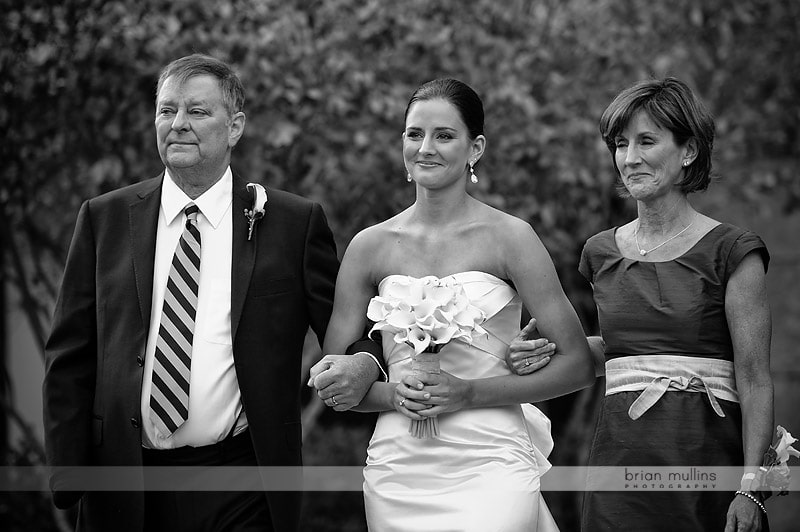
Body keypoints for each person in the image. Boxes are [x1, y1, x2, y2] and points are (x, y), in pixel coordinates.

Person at [41, 53, 377, 532]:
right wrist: (69, 473)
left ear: (235, 126)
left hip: (243, 480)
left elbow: (347, 332)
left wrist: (365, 362)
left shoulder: (292, 224)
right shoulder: (104, 219)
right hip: (123, 482)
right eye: (166, 110)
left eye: (197, 112)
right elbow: (68, 355)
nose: (177, 124)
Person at [314, 78, 594, 531]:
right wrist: (392, 394)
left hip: (490, 456)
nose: (425, 148)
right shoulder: (369, 246)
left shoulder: (511, 238)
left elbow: (577, 364)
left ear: (475, 148)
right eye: (414, 134)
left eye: (444, 135)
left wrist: (467, 393)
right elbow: (338, 385)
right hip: (399, 467)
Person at [577, 77, 774, 531]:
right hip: (617, 466)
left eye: (647, 141)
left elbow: (755, 378)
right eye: (621, 144)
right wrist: (553, 346)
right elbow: (619, 351)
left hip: (706, 463)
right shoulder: (599, 252)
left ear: (688, 151)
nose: (630, 158)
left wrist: (750, 487)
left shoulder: (733, 250)